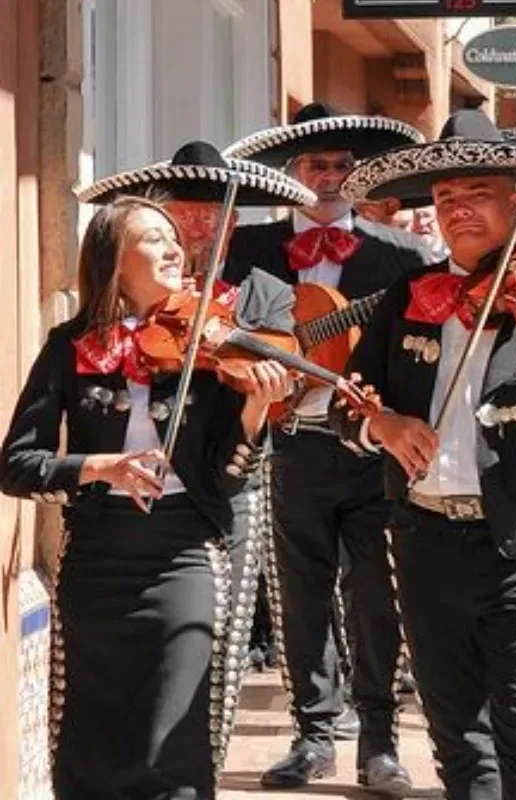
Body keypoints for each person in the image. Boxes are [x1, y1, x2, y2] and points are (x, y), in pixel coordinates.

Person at [331, 109, 516, 800]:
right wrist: (385, 427)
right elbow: (347, 408)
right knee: (457, 746)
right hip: (424, 542)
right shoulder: (405, 297)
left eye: (477, 192)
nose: (458, 210)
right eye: (446, 198)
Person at [0, 196, 295, 799]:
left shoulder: (206, 347)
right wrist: (99, 467)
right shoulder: (67, 348)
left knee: (172, 735)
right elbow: (17, 466)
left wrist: (255, 411)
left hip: (183, 552)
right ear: (114, 257)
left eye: (172, 239)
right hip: (96, 561)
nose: (174, 249)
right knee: (91, 736)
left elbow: (227, 479)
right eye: (154, 238)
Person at [222, 102, 434, 794]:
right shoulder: (249, 249)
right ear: (293, 170)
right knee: (301, 592)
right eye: (318, 165)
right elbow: (228, 334)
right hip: (291, 441)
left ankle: (379, 740)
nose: (332, 177)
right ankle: (313, 735)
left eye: (345, 167)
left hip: (373, 447)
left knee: (376, 594)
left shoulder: (402, 256)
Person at [74, 142, 314, 739]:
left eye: (216, 216)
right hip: (137, 499)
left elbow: (282, 377)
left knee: (220, 650)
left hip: (229, 483)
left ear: (232, 224)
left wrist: (259, 379)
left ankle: (205, 759)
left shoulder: (262, 295)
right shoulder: (127, 304)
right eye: (187, 213)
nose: (201, 228)